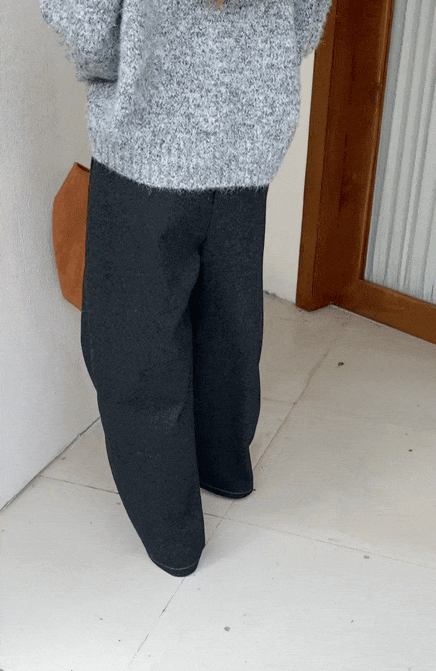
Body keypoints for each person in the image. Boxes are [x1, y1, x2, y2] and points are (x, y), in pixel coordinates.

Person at [40, 0, 332, 576]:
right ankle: (224, 467)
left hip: (149, 139)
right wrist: (258, 66)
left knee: (134, 345)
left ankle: (172, 535)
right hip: (249, 139)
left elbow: (85, 21)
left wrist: (126, 66)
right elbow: (307, 15)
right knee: (228, 317)